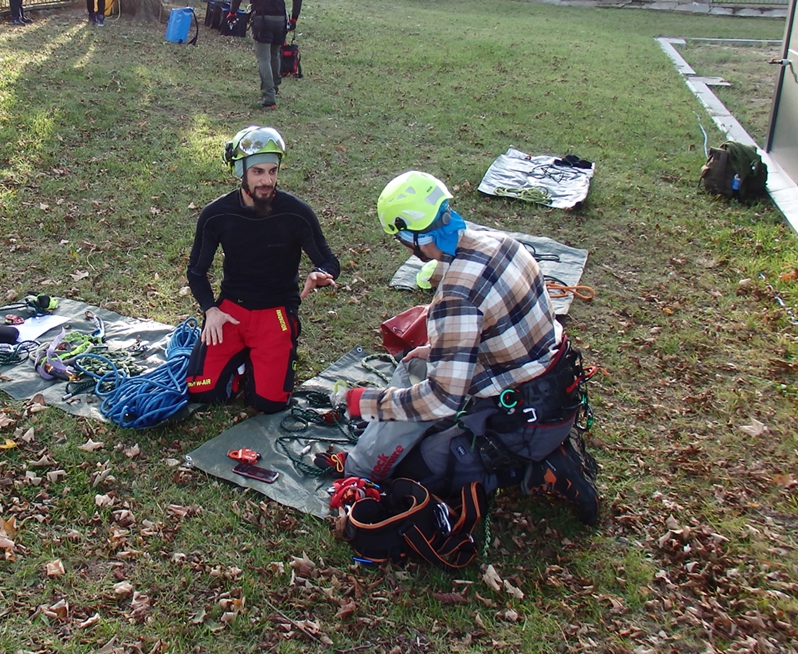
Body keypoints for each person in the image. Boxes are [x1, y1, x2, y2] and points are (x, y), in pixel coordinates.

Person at [326, 171, 599, 525]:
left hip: (523, 417)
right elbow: (502, 327)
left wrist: (363, 402)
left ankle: (540, 467)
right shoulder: (505, 244)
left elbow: (440, 401)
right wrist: (438, 351)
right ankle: (539, 449)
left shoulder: (454, 296)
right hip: (556, 383)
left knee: (411, 471)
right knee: (415, 368)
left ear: (411, 235)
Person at [185, 126, 339, 414]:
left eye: (272, 171)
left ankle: (261, 362)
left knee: (269, 403)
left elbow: (329, 261)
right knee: (203, 391)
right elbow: (196, 270)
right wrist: (211, 311)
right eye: (258, 172)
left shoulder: (297, 213)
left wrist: (320, 272)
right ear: (240, 172)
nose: (267, 180)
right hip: (232, 308)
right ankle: (243, 360)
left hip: (276, 310)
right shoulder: (216, 214)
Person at [225, 0, 300, 108]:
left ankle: (269, 97)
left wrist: (232, 12)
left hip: (262, 19)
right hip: (280, 19)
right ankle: (274, 87)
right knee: (275, 55)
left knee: (264, 58)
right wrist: (294, 18)